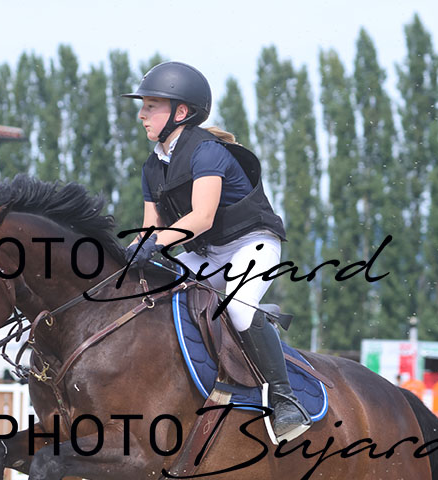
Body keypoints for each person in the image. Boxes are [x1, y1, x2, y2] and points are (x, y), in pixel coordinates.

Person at [122, 61, 311, 441]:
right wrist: (130, 250)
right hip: (207, 253)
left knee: (238, 309)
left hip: (251, 244)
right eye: (143, 106)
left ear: (180, 112)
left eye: (151, 106)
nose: (141, 114)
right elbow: (150, 227)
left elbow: (202, 217)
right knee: (149, 296)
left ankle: (285, 399)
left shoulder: (207, 152)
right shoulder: (152, 166)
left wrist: (155, 243)